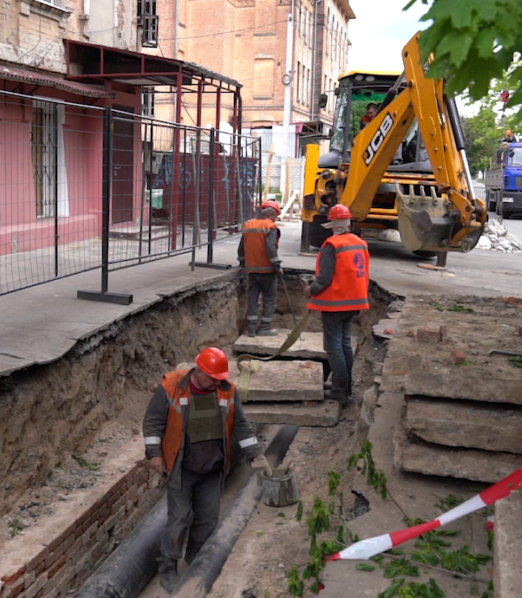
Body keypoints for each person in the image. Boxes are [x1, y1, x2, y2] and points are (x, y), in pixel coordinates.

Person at [143, 347, 271, 591]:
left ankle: (196, 559)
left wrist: (256, 454)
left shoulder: (227, 391)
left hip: (212, 469)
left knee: (208, 519)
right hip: (182, 468)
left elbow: (242, 426)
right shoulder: (171, 386)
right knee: (179, 519)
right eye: (213, 377)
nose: (217, 382)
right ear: (199, 371)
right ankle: (168, 565)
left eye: (220, 378)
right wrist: (155, 455)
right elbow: (153, 423)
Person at [302, 204, 370, 402]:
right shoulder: (360, 243)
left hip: (335, 303)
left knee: (334, 347)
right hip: (354, 301)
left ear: (334, 226)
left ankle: (340, 389)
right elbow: (363, 274)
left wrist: (310, 290)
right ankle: (346, 385)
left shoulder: (332, 245)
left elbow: (324, 278)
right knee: (345, 343)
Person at [237, 200, 282, 337]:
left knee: (252, 298)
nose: (275, 219)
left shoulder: (248, 225)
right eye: (276, 216)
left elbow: (241, 247)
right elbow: (270, 248)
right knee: (269, 298)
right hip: (267, 270)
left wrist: (243, 262)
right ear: (271, 214)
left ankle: (251, 330)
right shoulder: (270, 226)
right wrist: (277, 266)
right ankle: (264, 329)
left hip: (252, 270)